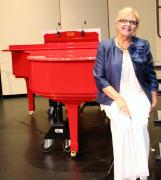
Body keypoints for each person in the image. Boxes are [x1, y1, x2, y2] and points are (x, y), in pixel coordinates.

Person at [93, 7, 158, 180]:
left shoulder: (142, 44)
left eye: (132, 22)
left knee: (139, 125)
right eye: (124, 20)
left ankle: (140, 172)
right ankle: (124, 175)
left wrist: (154, 98)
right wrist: (119, 99)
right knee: (122, 126)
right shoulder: (105, 46)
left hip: (138, 95)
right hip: (113, 96)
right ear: (116, 23)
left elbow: (150, 73)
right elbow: (99, 77)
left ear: (136, 26)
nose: (128, 24)